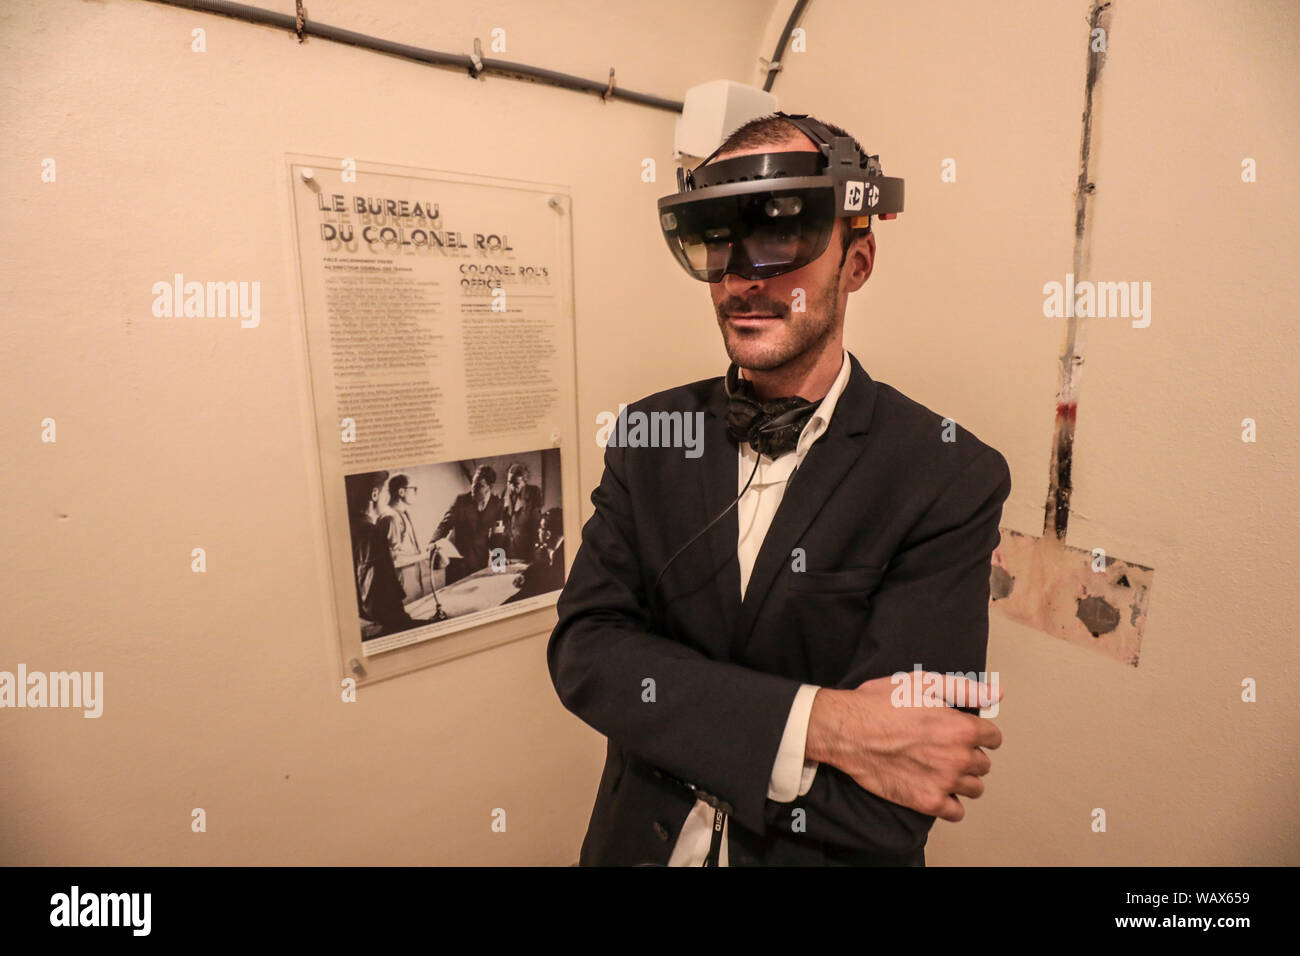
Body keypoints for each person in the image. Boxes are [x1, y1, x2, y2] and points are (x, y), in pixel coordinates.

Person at [547, 112, 1012, 866]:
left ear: (856, 262)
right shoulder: (650, 433)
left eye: (778, 236)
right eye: (718, 243)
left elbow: (896, 803)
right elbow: (586, 657)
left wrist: (679, 716)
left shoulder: (947, 474)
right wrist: (825, 726)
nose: (739, 278)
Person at [348, 470, 426, 638]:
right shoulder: (375, 529)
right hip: (390, 613)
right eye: (384, 492)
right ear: (375, 494)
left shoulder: (355, 528)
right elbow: (378, 592)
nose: (386, 498)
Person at [430, 464, 504, 586]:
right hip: (457, 565)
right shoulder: (460, 501)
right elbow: (444, 525)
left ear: (489, 487)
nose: (473, 489)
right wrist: (432, 543)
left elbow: (497, 538)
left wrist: (498, 567)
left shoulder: (497, 505)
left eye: (479, 486)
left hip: (480, 564)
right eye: (473, 484)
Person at [381, 473, 428, 601]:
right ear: (401, 491)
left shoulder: (402, 514)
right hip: (402, 586)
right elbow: (393, 561)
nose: (415, 493)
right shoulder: (391, 518)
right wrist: (425, 556)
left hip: (412, 581)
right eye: (414, 489)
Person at [507, 507, 565, 602]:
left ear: (548, 534)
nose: (538, 531)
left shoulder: (562, 561)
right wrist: (525, 575)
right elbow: (541, 565)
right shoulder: (552, 550)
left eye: (541, 528)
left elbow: (537, 590)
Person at [502, 463, 544, 561]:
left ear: (524, 482)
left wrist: (535, 547)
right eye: (509, 482)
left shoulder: (534, 492)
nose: (511, 487)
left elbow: (536, 522)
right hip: (509, 549)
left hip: (527, 547)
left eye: (515, 484)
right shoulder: (504, 494)